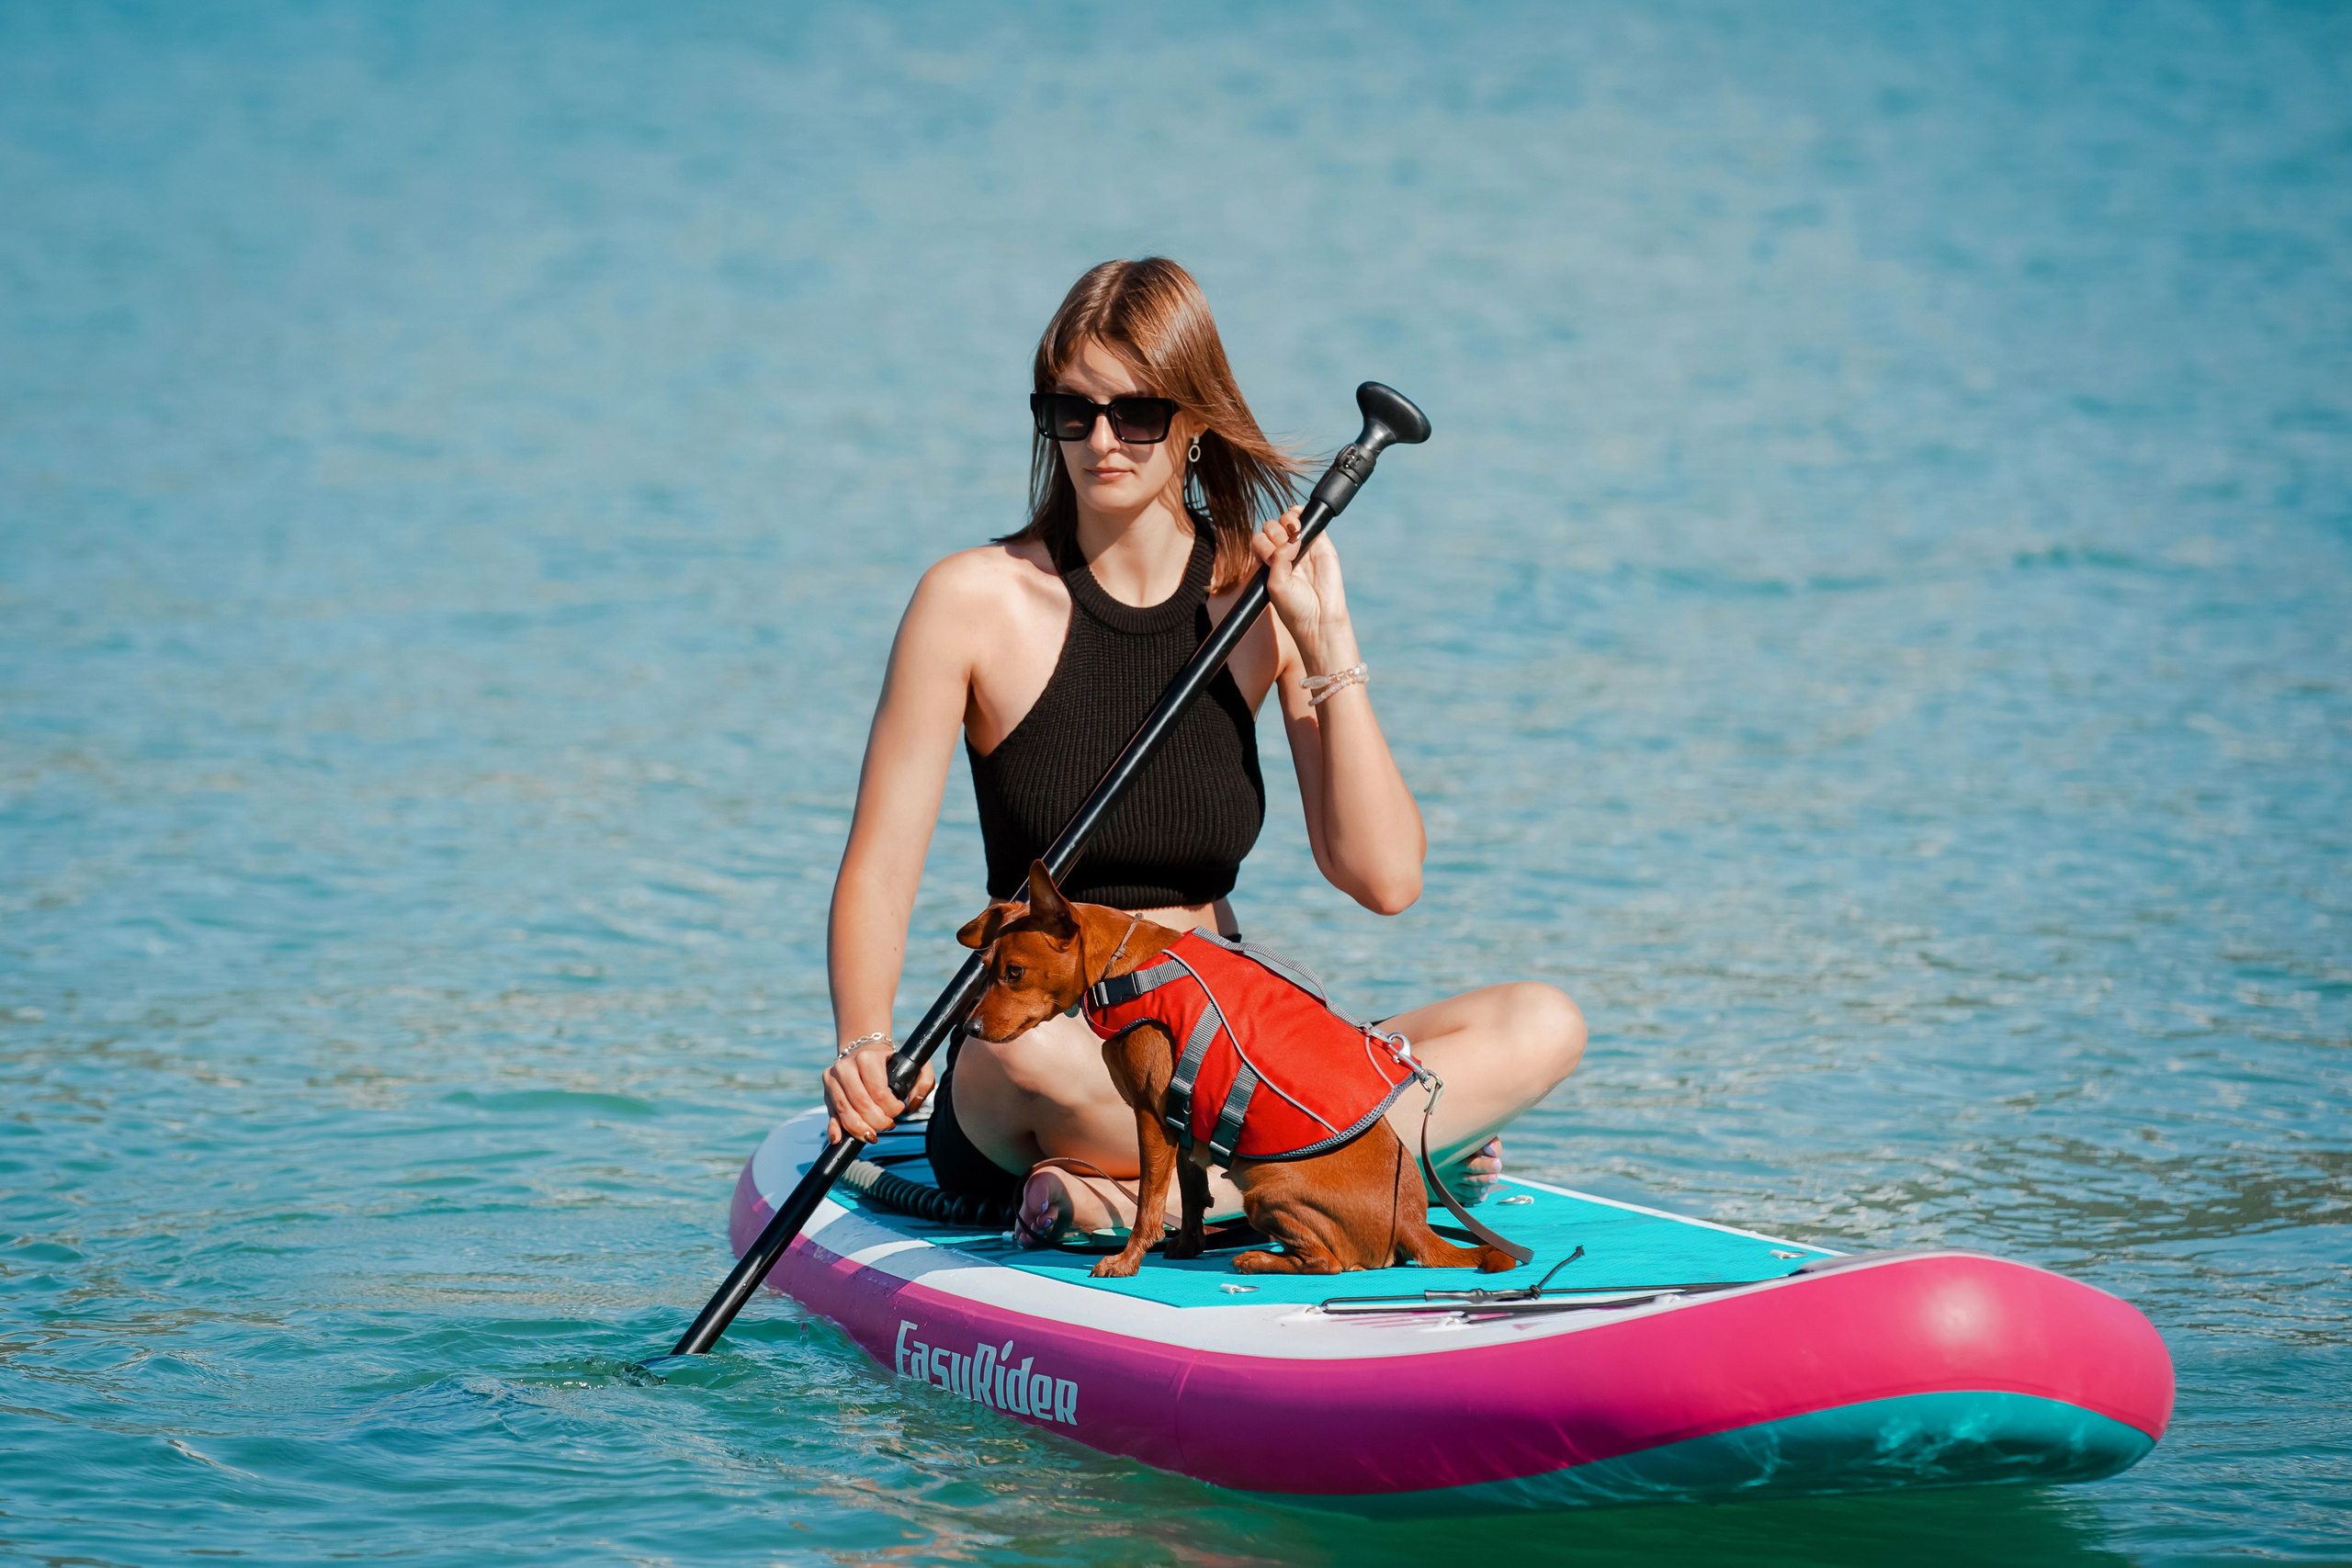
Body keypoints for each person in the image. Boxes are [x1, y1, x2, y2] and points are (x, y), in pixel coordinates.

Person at [820, 257, 1585, 1247]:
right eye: (1070, 411)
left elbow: (1383, 877)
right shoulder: (971, 601)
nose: (1100, 441)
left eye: (1134, 413)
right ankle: (1365, 1156)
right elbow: (881, 864)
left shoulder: (1259, 599)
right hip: (1054, 1041)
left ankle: (1170, 1196)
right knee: (1026, 1058)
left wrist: (1328, 641)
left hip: (1225, 1041)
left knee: (1540, 1022)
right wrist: (866, 1044)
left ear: (1191, 422)